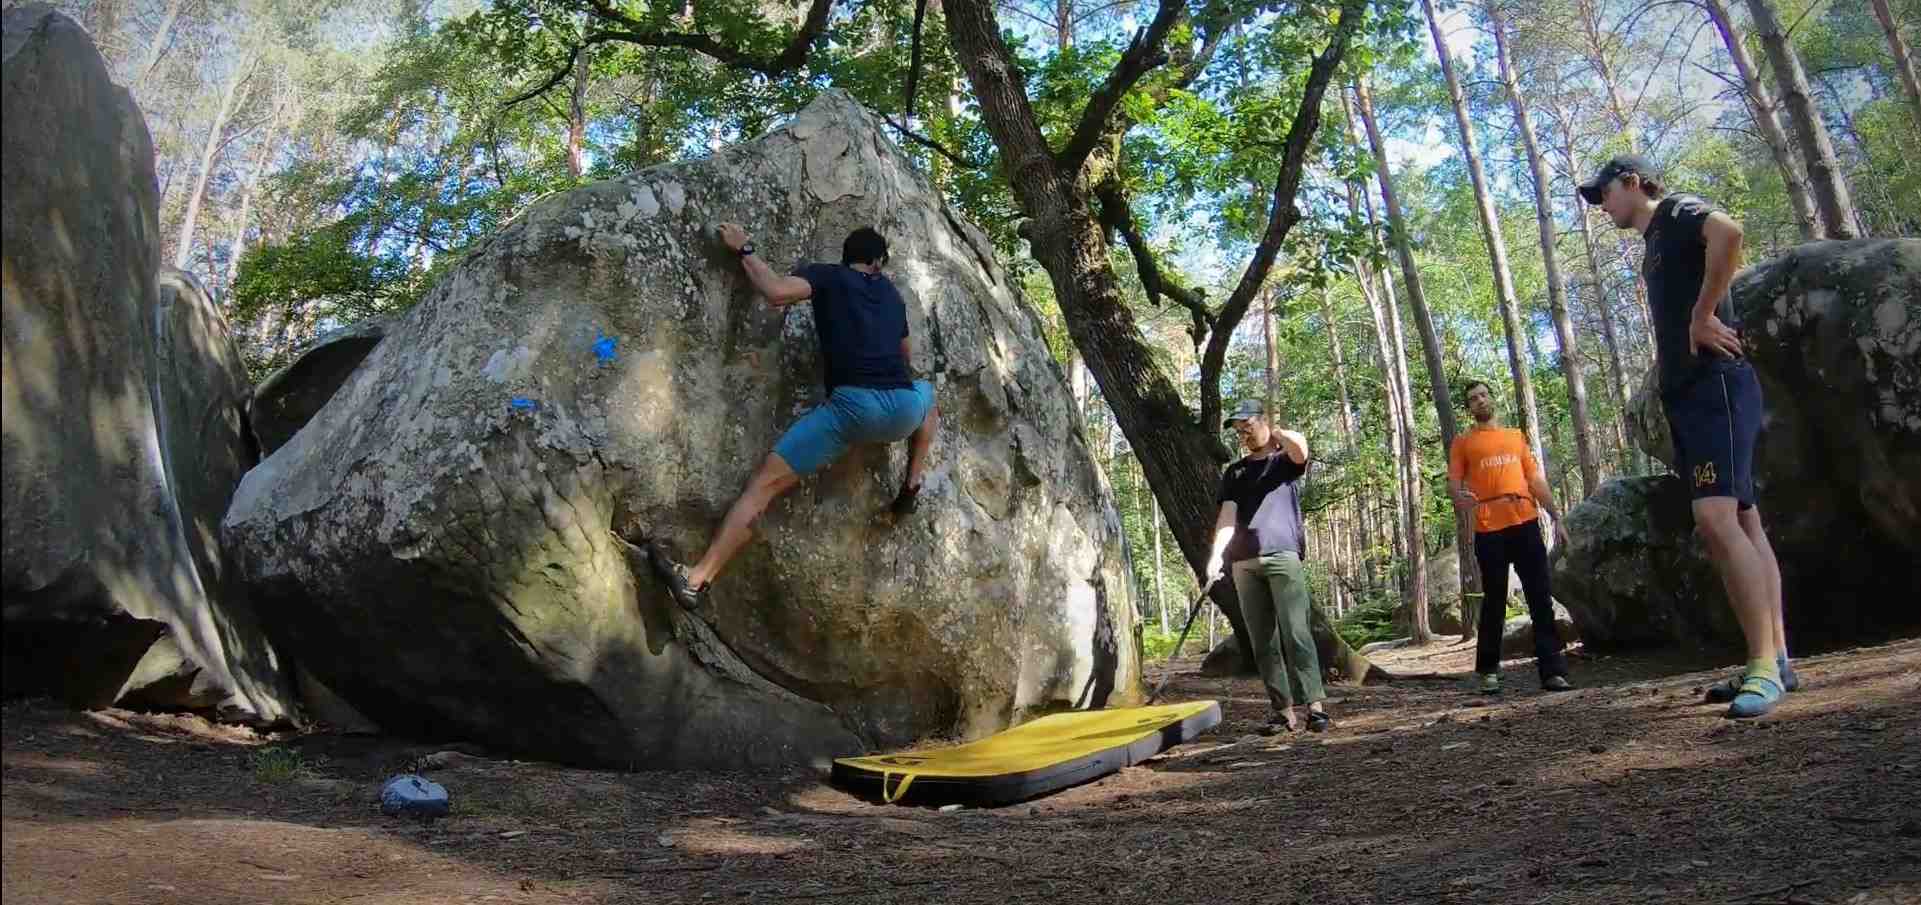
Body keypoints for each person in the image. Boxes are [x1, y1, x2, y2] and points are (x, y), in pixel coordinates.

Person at [1579, 154, 1796, 718]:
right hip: (1692, 392)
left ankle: (1764, 668)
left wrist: (1702, 316)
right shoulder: (1654, 244)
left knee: (1716, 520)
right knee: (1745, 519)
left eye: (1602, 193)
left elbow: (1729, 232)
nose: (1600, 206)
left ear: (1632, 183)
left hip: (1715, 385)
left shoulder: (1675, 211)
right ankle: (1776, 656)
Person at [649, 224, 939, 607]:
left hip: (852, 410)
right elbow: (905, 356)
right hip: (903, 410)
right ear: (876, 261)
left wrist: (744, 249)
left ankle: (697, 579)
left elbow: (777, 292)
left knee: (763, 486)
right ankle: (911, 486)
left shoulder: (829, 276)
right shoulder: (891, 294)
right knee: (929, 395)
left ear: (847, 257)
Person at [1204, 400, 1329, 734]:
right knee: (1263, 641)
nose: (1243, 434)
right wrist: (1217, 557)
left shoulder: (1283, 462)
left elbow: (1301, 449)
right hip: (1244, 564)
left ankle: (1314, 707)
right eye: (1238, 430)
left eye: (1247, 426)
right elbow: (1227, 518)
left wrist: (1276, 432)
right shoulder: (1235, 472)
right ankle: (1282, 711)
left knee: (1296, 632)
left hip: (1282, 556)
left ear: (1263, 422)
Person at [1448, 380, 1575, 696]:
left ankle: (1553, 672)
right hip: (1489, 528)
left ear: (1492, 400)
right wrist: (1457, 497)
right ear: (1469, 408)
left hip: (1525, 521)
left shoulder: (1515, 437)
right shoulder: (1463, 443)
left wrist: (1556, 516)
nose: (1479, 401)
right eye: (1473, 399)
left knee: (1539, 596)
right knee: (1493, 601)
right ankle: (1489, 671)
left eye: (1483, 395)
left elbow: (1534, 479)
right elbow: (1453, 482)